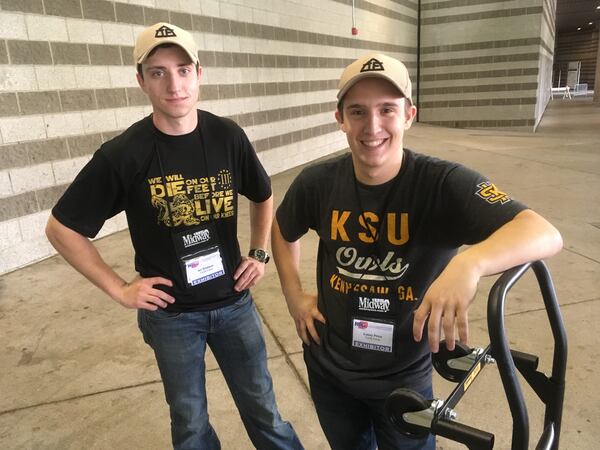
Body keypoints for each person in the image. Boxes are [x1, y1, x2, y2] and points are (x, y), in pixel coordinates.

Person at [271, 53, 563, 450]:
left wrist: (470, 263)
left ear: (409, 115)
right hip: (329, 370)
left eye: (386, 110)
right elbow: (282, 228)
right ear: (339, 118)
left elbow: (543, 232)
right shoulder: (317, 182)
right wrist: (293, 297)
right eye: (357, 111)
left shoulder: (443, 183)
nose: (371, 126)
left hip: (404, 377)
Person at [45, 22, 303, 450]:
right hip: (172, 317)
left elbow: (262, 193)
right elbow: (61, 228)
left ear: (199, 73)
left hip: (234, 304)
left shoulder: (228, 136)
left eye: (183, 69)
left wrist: (259, 252)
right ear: (141, 80)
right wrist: (120, 290)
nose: (174, 84)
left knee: (264, 409)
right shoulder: (123, 154)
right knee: (189, 422)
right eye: (158, 72)